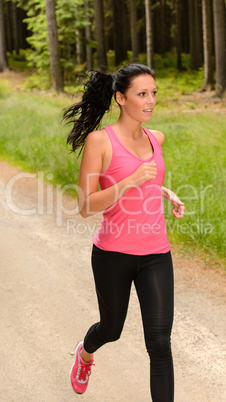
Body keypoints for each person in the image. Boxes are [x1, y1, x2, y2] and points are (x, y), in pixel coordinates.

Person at [63, 63, 185, 402]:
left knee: (160, 343)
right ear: (120, 98)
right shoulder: (100, 141)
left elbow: (149, 182)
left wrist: (164, 192)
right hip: (113, 254)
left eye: (154, 94)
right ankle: (85, 355)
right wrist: (129, 181)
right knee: (111, 329)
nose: (150, 101)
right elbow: (87, 205)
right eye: (142, 94)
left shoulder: (156, 138)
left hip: (156, 253)